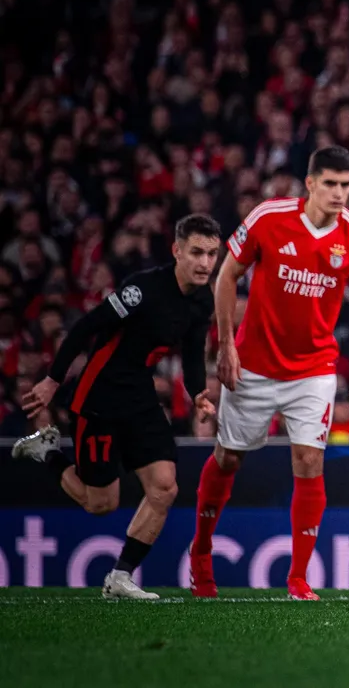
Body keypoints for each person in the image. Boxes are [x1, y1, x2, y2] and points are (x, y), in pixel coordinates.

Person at [188, 146, 349, 601]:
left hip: (314, 368)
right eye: (330, 183)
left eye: (345, 185)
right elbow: (226, 276)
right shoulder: (268, 218)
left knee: (310, 460)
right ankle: (200, 554)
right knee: (229, 458)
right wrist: (227, 344)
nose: (338, 193)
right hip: (253, 365)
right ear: (310, 183)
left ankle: (297, 578)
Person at [14, 214, 221, 600]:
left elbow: (194, 352)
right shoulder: (142, 289)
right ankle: (46, 452)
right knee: (100, 504)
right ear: (177, 251)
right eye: (196, 252)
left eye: (212, 254)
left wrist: (197, 393)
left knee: (165, 487)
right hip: (100, 396)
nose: (205, 263)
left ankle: (120, 577)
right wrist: (52, 381)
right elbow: (84, 328)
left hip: (140, 396)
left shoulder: (201, 298)